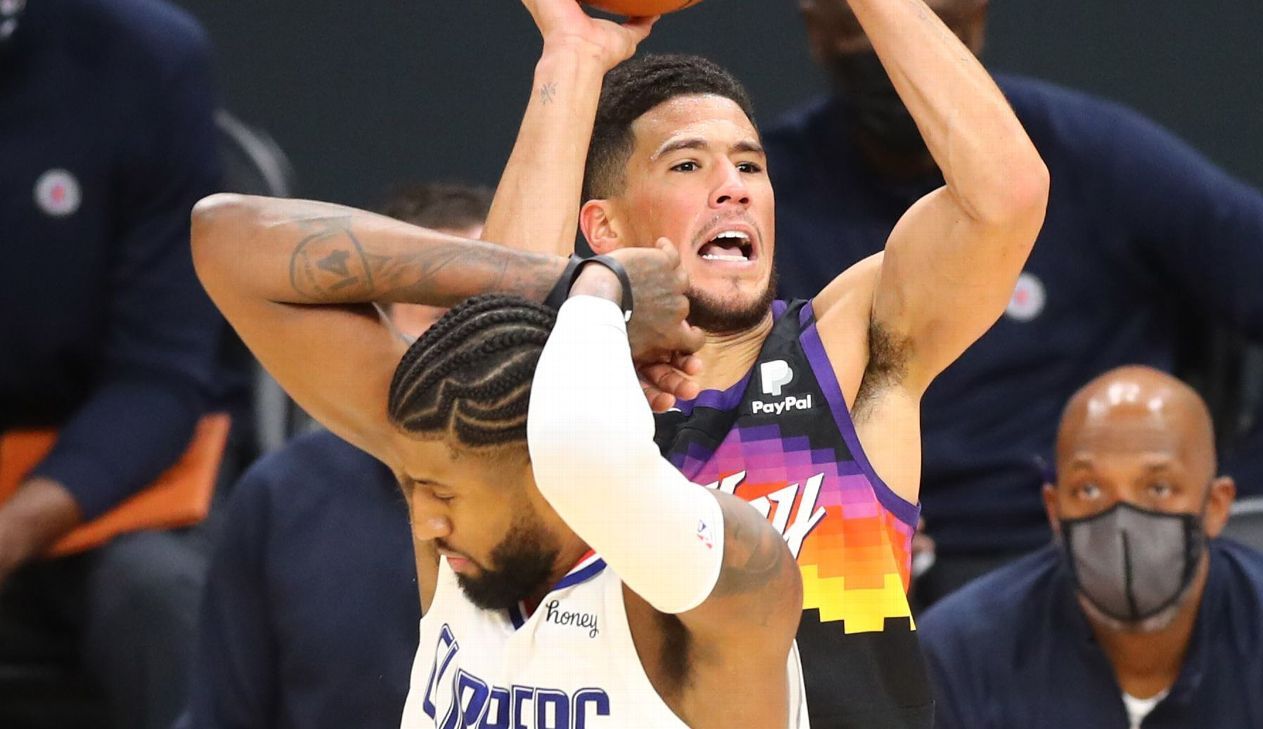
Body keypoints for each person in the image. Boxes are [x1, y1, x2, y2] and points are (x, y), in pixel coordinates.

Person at [474, 0, 1048, 725]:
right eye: (688, 164)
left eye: (750, 164)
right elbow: (491, 331)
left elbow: (1007, 199)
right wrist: (573, 56)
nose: (734, 185)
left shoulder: (845, 352)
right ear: (605, 226)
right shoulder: (571, 407)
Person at [192, 171, 809, 726]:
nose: (424, 518)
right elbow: (221, 236)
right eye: (420, 485)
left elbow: (583, 454)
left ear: (539, 470)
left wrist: (601, 291)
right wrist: (564, 280)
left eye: (443, 494)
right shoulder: (459, 482)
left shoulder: (717, 582)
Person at [765, 0, 1263, 606]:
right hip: (870, 551)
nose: (901, 81)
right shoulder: (766, 194)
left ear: (978, 23)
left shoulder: (1094, 157)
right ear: (818, 33)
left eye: (940, 31)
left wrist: (1244, 508)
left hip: (1083, 550)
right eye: (871, 51)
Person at [179, 183, 493, 729]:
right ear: (373, 328)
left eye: (488, 311)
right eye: (437, 312)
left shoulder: (580, 485)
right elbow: (223, 714)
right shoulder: (281, 493)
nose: (470, 341)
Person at [0, 1, 222, 727]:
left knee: (157, 593)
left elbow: (157, 373)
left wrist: (13, 528)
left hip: (97, 478)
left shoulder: (145, 57)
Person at [918, 366, 1263, 729]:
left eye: (1158, 488)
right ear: (1054, 509)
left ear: (1215, 506)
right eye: (1090, 490)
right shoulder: (960, 651)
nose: (1122, 521)